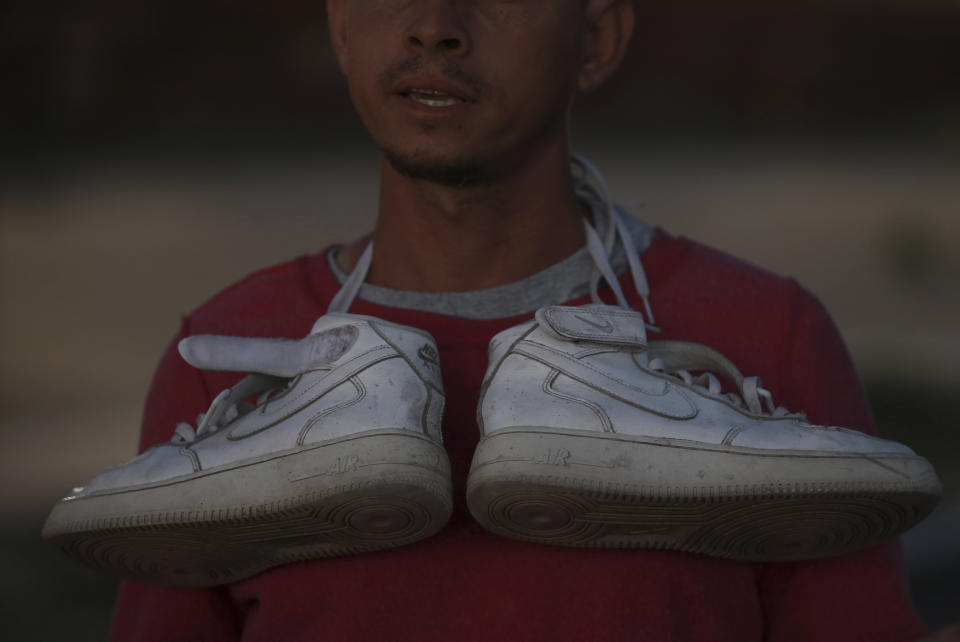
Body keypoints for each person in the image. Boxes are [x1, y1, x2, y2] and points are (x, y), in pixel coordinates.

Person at [104, 0, 930, 639]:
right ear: (340, 24)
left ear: (597, 38)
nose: (434, 25)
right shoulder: (227, 362)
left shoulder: (760, 335)